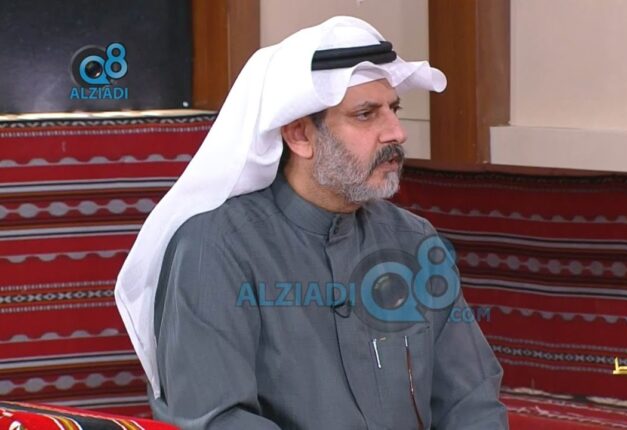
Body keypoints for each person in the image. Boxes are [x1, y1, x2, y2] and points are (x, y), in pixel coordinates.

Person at [115, 16, 509, 429]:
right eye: (366, 115)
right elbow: (218, 420)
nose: (396, 132)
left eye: (393, 110)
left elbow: (472, 404)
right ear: (300, 135)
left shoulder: (412, 240)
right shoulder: (216, 248)